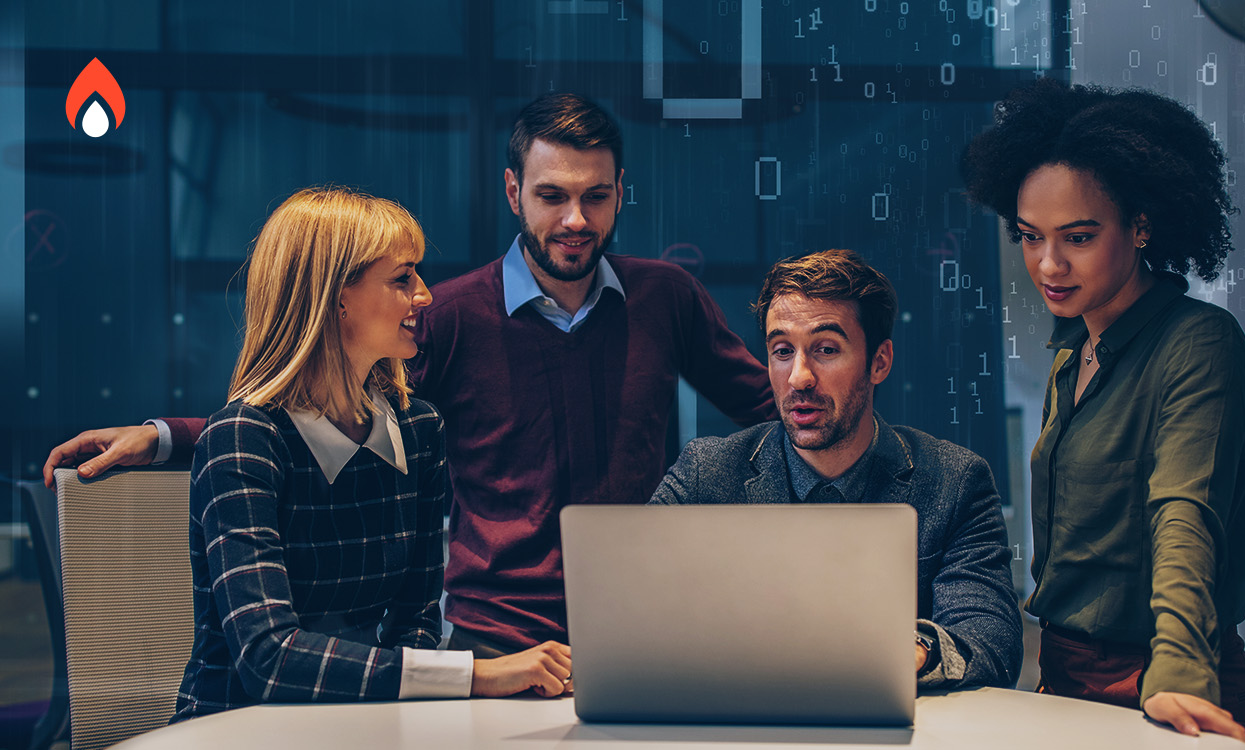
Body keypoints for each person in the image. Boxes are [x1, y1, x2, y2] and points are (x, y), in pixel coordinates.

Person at [44, 93, 776, 657]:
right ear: (514, 192)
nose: (576, 219)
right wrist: (166, 437)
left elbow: (773, 413)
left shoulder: (666, 298)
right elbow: (317, 410)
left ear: (620, 192)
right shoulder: (446, 316)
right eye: (553, 195)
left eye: (596, 196)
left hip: (643, 621)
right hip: (498, 636)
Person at [174, 187, 570, 722]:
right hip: (233, 727)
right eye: (402, 278)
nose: (425, 295)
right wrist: (476, 675)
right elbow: (267, 658)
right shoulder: (243, 438)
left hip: (361, 720)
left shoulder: (419, 429)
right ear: (336, 298)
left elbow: (416, 623)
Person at [961, 78, 1245, 745]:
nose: (1049, 264)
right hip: (1065, 673)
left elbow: (1185, 513)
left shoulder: (1199, 343)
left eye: (1078, 237)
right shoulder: (1074, 350)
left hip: (1162, 678)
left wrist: (1179, 671)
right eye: (1030, 237)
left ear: (1141, 225)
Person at [650, 249, 1022, 690]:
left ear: (879, 362)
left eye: (826, 350)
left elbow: (991, 641)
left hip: (893, 719)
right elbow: (632, 601)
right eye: (782, 351)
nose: (799, 378)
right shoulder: (705, 474)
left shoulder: (954, 481)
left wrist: (915, 649)